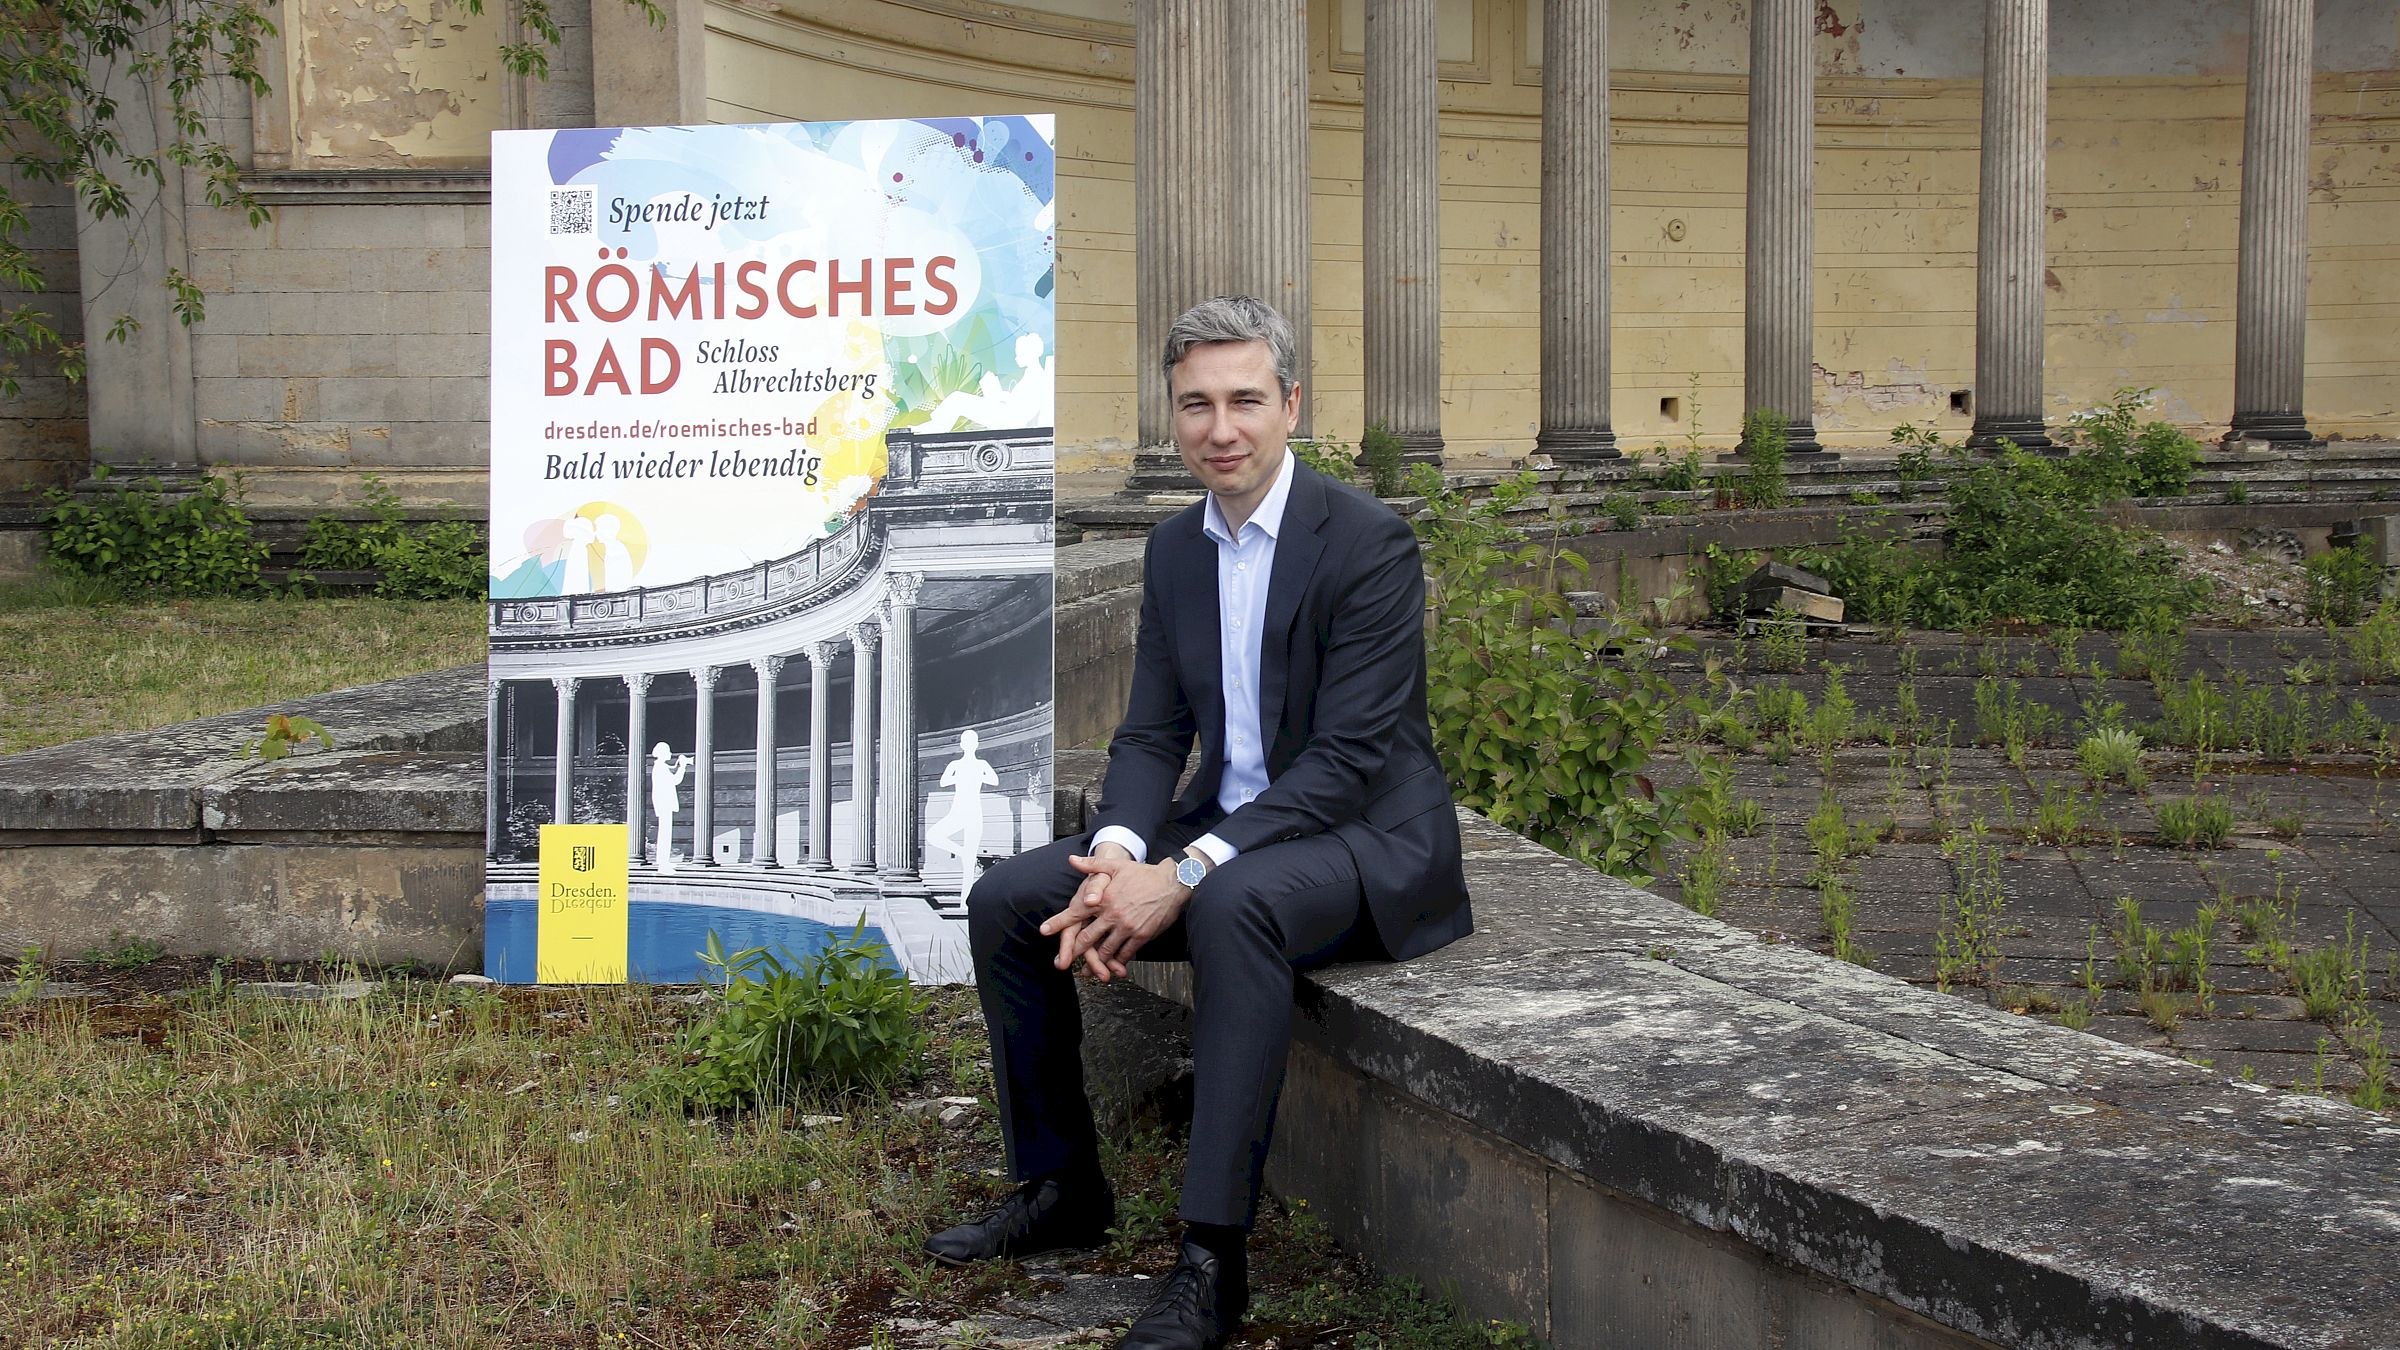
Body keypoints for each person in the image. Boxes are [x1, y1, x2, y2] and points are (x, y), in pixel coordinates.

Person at [924, 295, 1470, 1350]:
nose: (1222, 428)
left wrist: (1186, 871)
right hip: (1230, 832)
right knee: (1008, 899)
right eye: (1196, 405)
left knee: (1234, 909)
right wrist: (1120, 854)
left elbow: (1349, 763)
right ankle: (1061, 1186)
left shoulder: (1368, 544)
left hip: (1365, 845)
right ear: (1172, 417)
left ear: (1291, 405)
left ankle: (1212, 1261)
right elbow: (1147, 735)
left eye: (1245, 401)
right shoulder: (1176, 550)